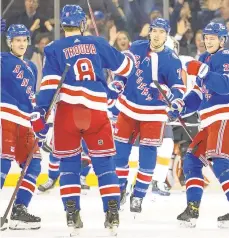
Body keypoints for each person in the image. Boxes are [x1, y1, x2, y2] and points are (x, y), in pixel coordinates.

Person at [31, 4, 134, 234]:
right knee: (105, 165)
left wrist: (40, 113)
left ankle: (72, 215)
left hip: (67, 113)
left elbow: (48, 87)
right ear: (82, 24)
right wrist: (115, 84)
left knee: (69, 165)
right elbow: (126, 67)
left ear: (64, 25)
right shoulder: (97, 43)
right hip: (96, 112)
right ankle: (112, 214)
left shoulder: (53, 48)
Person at [113, 18, 186, 213]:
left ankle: (138, 195)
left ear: (167, 35)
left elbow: (178, 88)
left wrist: (173, 99)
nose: (157, 35)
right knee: (120, 154)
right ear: (149, 31)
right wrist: (118, 84)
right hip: (128, 108)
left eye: (162, 32)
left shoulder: (172, 59)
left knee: (147, 157)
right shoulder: (136, 47)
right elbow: (122, 70)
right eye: (154, 30)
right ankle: (120, 189)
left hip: (154, 114)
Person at [168, 22, 229, 228]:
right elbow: (198, 94)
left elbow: (225, 85)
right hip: (209, 121)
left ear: (222, 40)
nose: (208, 41)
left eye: (213, 37)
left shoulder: (226, 56)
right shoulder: (203, 59)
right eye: (206, 37)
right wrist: (181, 105)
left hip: (224, 117)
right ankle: (192, 209)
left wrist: (203, 71)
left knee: (220, 161)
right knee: (192, 161)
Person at [0, 24, 41, 230]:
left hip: (25, 122)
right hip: (5, 116)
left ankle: (19, 211)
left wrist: (39, 123)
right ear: (9, 42)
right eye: (17, 40)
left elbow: (31, 101)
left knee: (33, 165)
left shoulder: (32, 68)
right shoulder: (2, 59)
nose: (22, 44)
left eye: (24, 40)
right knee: (3, 163)